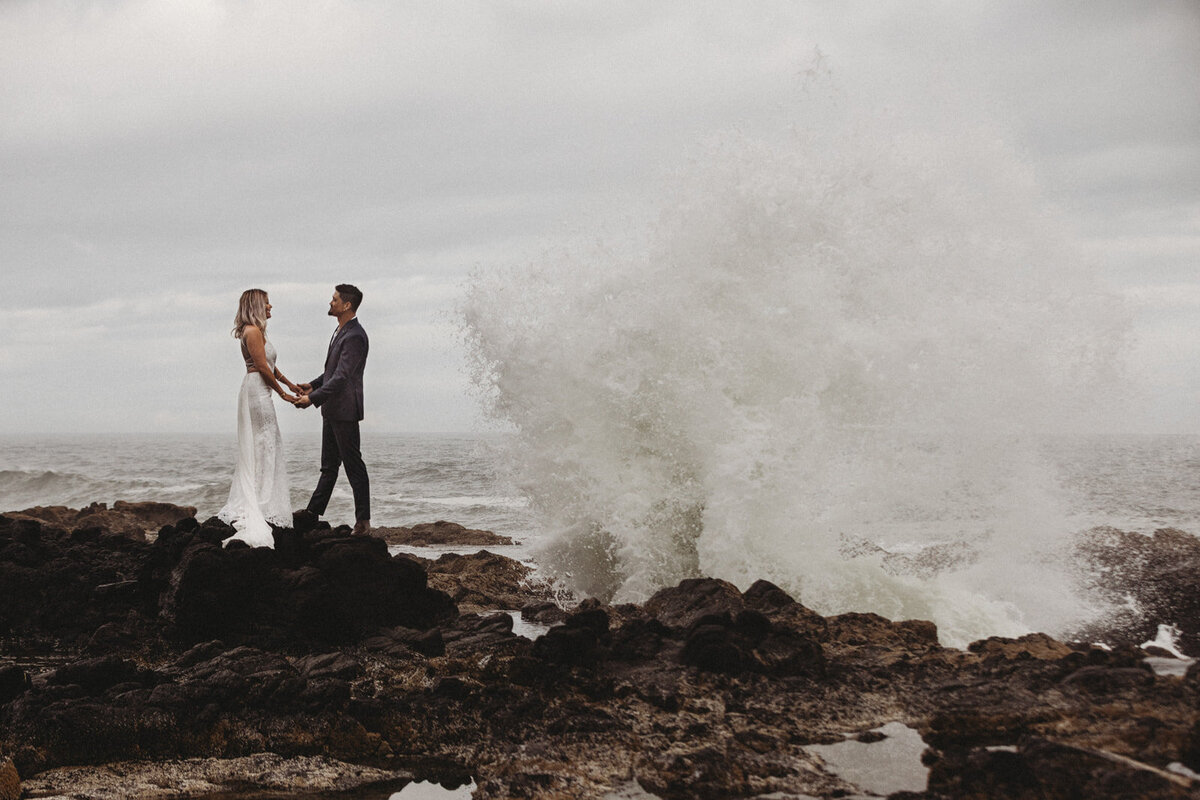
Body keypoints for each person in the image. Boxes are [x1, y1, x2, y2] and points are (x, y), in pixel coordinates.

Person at [218, 289, 302, 547]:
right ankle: (259, 503)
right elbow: (262, 367)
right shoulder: (252, 332)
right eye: (266, 303)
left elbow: (272, 366)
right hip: (257, 390)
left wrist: (291, 384)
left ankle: (264, 500)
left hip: (261, 388)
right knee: (263, 444)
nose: (270, 307)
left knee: (267, 443)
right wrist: (283, 394)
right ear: (256, 305)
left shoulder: (257, 331)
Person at [295, 284, 371, 535]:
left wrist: (312, 398)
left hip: (345, 410)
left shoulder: (355, 336)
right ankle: (312, 513)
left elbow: (342, 377)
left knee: (353, 465)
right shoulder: (340, 331)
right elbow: (331, 372)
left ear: (347, 305)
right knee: (329, 466)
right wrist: (313, 385)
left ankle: (363, 521)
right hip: (331, 409)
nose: (330, 302)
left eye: (335, 299)